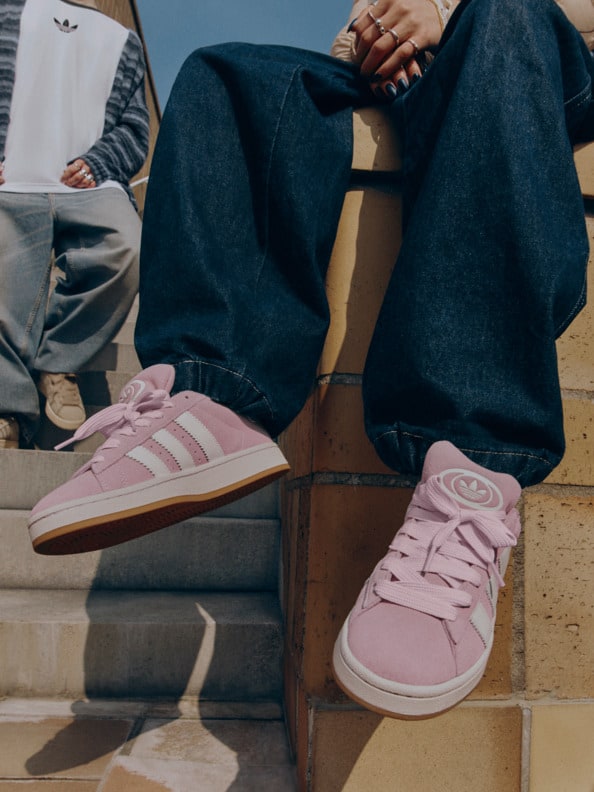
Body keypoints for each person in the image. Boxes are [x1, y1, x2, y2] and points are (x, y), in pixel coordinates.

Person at [26, 0, 593, 719]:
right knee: (230, 77)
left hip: (545, 57)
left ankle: (472, 483)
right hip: (423, 66)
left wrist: (446, 9)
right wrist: (374, 37)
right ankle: (215, 393)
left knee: (504, 14)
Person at [0, 0, 149, 449]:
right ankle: (7, 411)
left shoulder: (124, 40)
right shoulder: (6, 12)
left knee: (127, 249)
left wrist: (97, 162)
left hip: (89, 185)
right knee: (7, 284)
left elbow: (135, 129)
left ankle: (58, 362)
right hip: (12, 183)